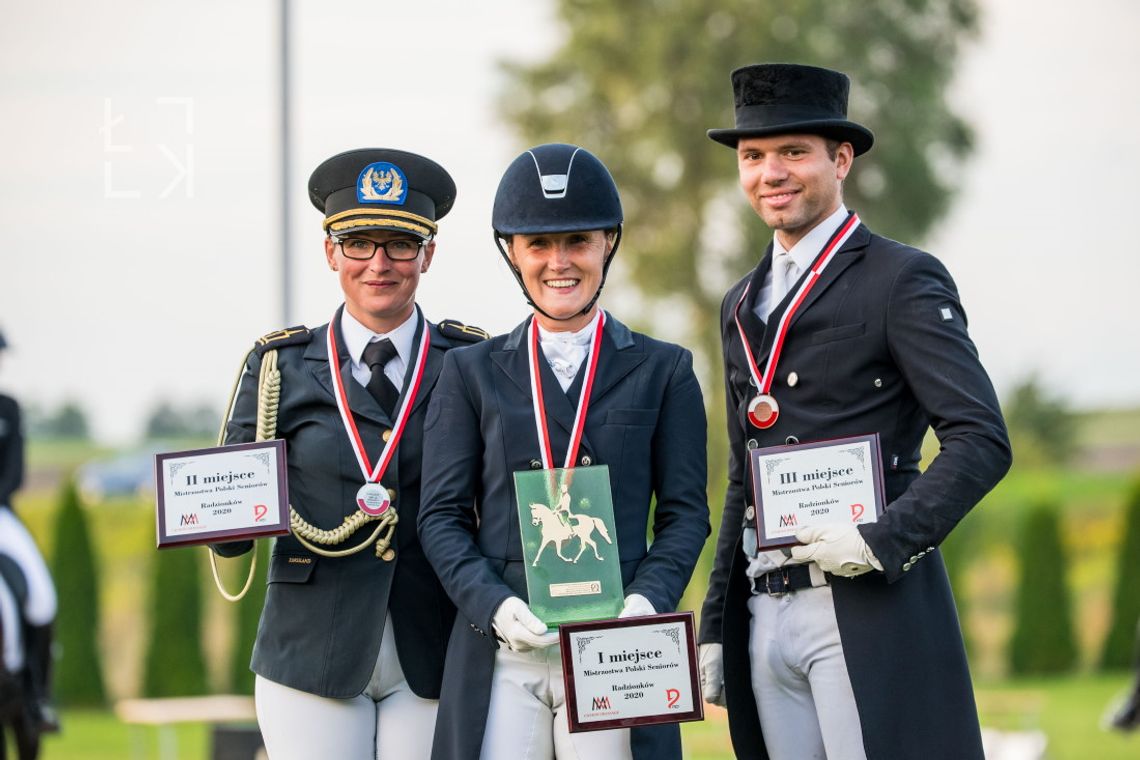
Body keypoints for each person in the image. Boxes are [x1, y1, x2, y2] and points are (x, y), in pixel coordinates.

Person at [697, 64, 1012, 760]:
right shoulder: (740, 302)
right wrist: (718, 620)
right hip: (764, 608)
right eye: (753, 157)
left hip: (864, 603)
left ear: (841, 159)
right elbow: (742, 477)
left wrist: (883, 539)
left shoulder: (901, 277)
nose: (769, 172)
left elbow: (981, 439)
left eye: (792, 152)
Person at [418, 143, 710, 760]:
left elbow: (686, 515)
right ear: (512, 253)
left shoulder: (666, 370)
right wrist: (492, 605)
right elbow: (441, 517)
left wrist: (647, 602)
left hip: (616, 646)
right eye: (538, 245)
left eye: (577, 241)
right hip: (507, 646)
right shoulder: (469, 372)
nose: (559, 263)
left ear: (608, 243)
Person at [211, 149, 486, 759]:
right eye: (359, 243)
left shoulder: (471, 364)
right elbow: (229, 520)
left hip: (436, 641)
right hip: (311, 646)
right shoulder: (279, 364)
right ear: (331, 251)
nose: (379, 264)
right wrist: (211, 517)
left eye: (400, 244)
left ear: (429, 254)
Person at [0, 329, 59, 731]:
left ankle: (36, 696)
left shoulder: (9, 409)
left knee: (40, 596)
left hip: (0, 513)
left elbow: (14, 472)